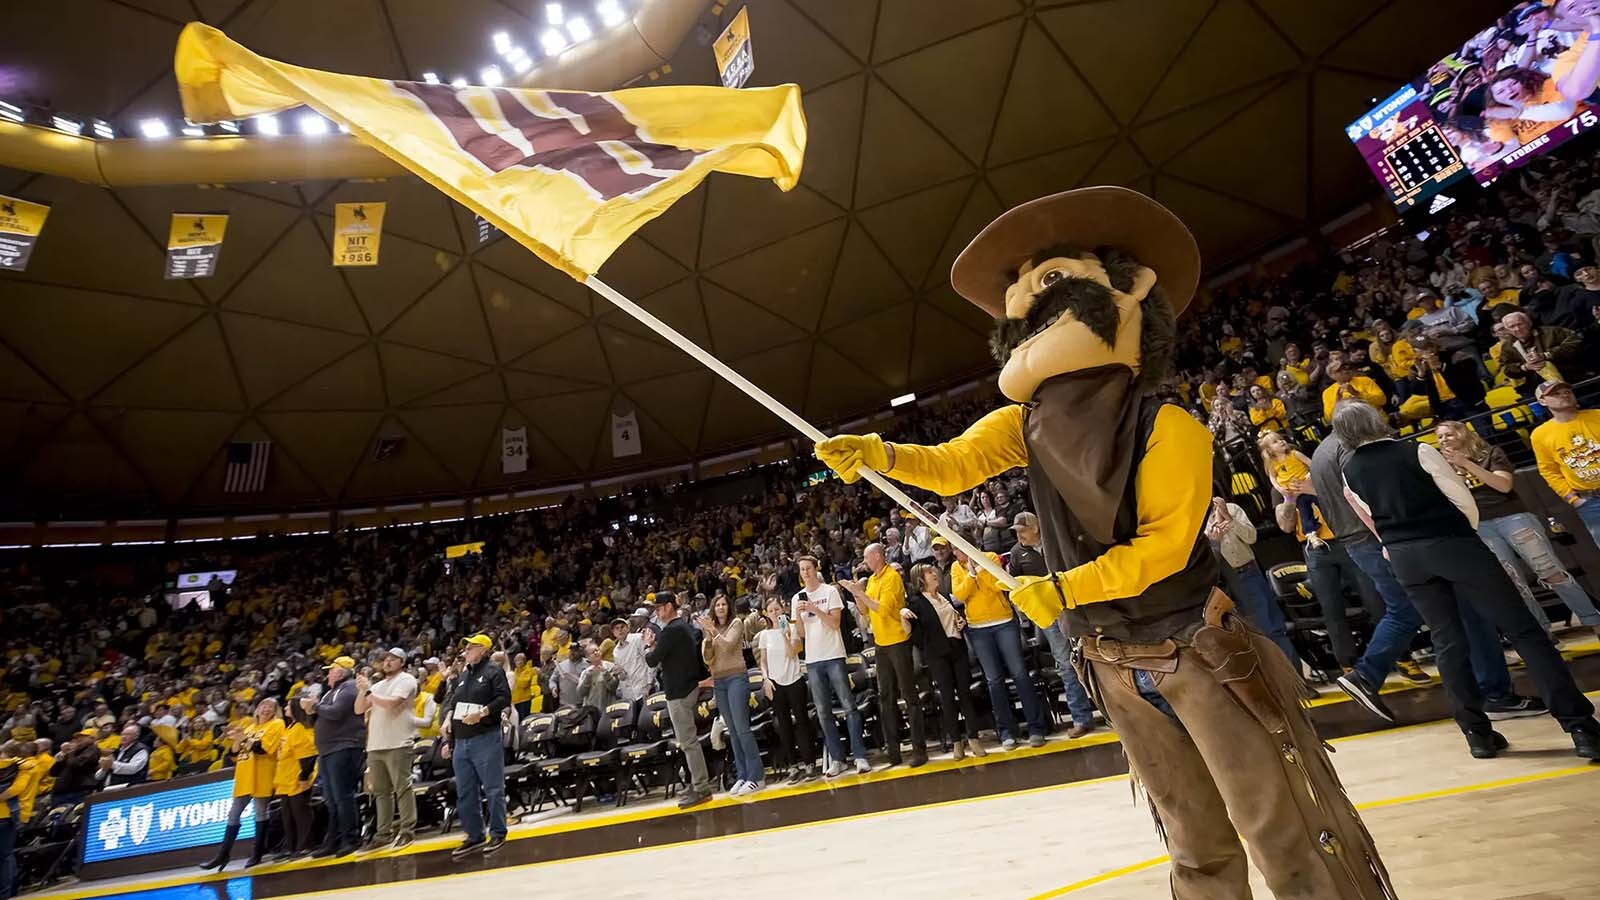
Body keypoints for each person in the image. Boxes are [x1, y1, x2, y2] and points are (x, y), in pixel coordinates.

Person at [815, 186, 1394, 897]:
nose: (1024, 301)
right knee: (1194, 844)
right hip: (1113, 663)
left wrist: (1060, 590)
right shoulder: (1021, 423)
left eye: (1050, 279)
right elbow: (949, 465)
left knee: (1282, 829)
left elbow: (1162, 549)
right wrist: (877, 453)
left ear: (1128, 294)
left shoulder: (1169, 426)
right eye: (1018, 295)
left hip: (1197, 650)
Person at [1336, 401, 1600, 760]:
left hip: (1405, 558)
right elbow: (1461, 498)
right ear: (1374, 419)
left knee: (1448, 642)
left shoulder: (1348, 468)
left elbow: (1368, 513)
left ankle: (1477, 733)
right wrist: (1464, 536)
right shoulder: (1418, 450)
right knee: (1523, 631)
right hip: (1453, 543)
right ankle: (1580, 727)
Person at [1437, 419, 1600, 639]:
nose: (1444, 440)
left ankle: (1593, 620)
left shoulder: (1491, 453)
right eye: (1440, 437)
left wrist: (1467, 464)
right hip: (1481, 527)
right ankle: (1542, 635)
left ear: (1463, 433)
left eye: (1449, 434)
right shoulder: (1440, 468)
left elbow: (1503, 485)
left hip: (1513, 518)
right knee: (1514, 584)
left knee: (1551, 572)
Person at [1007, 512, 1095, 739]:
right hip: (1049, 614)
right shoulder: (1017, 553)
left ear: (1036, 528)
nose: (1019, 535)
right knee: (1066, 664)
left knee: (1094, 655)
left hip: (1075, 606)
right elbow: (1015, 587)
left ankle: (1110, 711)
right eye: (1016, 531)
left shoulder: (1056, 540)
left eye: (1022, 530)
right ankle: (1081, 718)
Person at [952, 544, 1048, 750]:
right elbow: (960, 595)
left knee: (1020, 674)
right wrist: (971, 575)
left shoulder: (991, 558)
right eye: (954, 550)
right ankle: (1007, 732)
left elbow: (997, 585)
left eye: (957, 549)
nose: (955, 553)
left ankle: (1036, 728)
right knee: (994, 681)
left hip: (1003, 622)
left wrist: (979, 569)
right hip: (977, 629)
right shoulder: (955, 568)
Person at [840, 543, 927, 768]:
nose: (865, 562)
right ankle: (894, 752)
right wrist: (856, 594)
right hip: (880, 644)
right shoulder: (874, 580)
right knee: (885, 697)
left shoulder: (891, 578)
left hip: (898, 641)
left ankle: (919, 750)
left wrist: (860, 593)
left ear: (878, 556)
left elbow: (885, 609)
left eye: (868, 558)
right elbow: (865, 611)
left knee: (909, 695)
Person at [791, 556, 870, 775]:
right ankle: (838, 759)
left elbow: (835, 623)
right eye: (801, 570)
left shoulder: (830, 592)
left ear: (816, 569)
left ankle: (860, 756)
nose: (805, 572)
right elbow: (800, 634)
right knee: (823, 712)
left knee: (849, 706)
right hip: (813, 660)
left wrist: (814, 609)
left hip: (834, 655)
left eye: (808, 568)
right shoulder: (796, 598)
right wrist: (798, 614)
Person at [1205, 497, 1301, 674]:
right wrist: (1214, 541)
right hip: (1224, 582)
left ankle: (1295, 679)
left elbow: (1252, 537)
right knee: (1245, 636)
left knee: (1273, 627)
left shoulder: (1233, 508)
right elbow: (1204, 561)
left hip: (1249, 573)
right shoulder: (1193, 523)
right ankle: (1272, 682)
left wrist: (1229, 519)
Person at [904, 563, 985, 760]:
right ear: (921, 578)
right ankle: (957, 742)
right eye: (930, 572)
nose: (934, 574)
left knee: (965, 695)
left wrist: (960, 622)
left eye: (934, 571)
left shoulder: (945, 596)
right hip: (937, 654)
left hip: (957, 647)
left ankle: (973, 738)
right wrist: (902, 617)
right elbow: (912, 635)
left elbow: (953, 619)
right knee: (948, 698)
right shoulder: (916, 603)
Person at [441, 633, 511, 857]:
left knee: (493, 788)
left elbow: (503, 699)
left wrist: (482, 713)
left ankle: (498, 832)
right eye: (466, 648)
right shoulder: (463, 675)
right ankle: (474, 835)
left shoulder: (493, 671)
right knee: (465, 791)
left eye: (470, 647)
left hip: (485, 736)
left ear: (483, 649)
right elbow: (454, 702)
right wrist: (447, 719)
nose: (466, 651)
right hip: (461, 740)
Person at [642, 592, 714, 808]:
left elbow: (652, 660)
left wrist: (648, 644)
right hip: (686, 688)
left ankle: (701, 787)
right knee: (688, 741)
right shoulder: (681, 628)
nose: (657, 611)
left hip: (680, 693)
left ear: (670, 606)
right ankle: (696, 783)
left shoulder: (671, 631)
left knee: (688, 742)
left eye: (660, 607)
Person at [201, 698, 281, 870]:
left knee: (260, 813)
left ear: (275, 711)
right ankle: (223, 855)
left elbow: (264, 749)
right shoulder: (250, 728)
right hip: (244, 774)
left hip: (262, 773)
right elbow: (235, 755)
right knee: (233, 814)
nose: (266, 709)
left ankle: (257, 853)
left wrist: (243, 737)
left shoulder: (276, 724)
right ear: (257, 709)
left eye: (270, 707)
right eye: (263, 706)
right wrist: (236, 741)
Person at [699, 595, 765, 792]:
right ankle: (743, 775)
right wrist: (708, 638)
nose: (720, 607)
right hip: (719, 680)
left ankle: (757, 776)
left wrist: (713, 632)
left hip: (736, 677)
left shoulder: (736, 623)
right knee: (732, 731)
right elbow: (708, 658)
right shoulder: (710, 629)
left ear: (729, 607)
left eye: (723, 604)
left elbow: (728, 646)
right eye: (717, 604)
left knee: (742, 728)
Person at [356, 647, 418, 853]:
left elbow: (391, 705)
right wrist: (362, 690)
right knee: (380, 792)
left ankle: (407, 830)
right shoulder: (378, 685)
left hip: (398, 741)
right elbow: (359, 709)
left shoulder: (407, 680)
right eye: (386, 659)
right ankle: (383, 834)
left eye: (393, 658)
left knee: (402, 787)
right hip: (375, 744)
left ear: (402, 662)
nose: (388, 661)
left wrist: (368, 691)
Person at [305, 655, 363, 858]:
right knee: (331, 799)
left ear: (339, 671)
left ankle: (351, 838)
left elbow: (337, 713)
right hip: (328, 750)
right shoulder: (330, 692)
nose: (328, 674)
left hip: (344, 746)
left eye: (331, 670)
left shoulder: (348, 687)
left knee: (343, 796)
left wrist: (314, 707)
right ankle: (334, 839)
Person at [1531, 380, 1600, 549]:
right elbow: (1549, 471)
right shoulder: (1540, 435)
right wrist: (1572, 499)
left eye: (1567, 391)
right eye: (1555, 393)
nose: (1564, 395)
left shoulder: (1597, 416)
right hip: (1588, 499)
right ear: (1542, 401)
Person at [754, 598, 816, 782]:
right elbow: (763, 661)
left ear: (783, 609)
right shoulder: (764, 635)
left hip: (795, 681)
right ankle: (793, 765)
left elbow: (792, 652)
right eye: (771, 610)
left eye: (777, 609)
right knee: (784, 725)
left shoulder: (793, 627)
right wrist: (765, 679)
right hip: (775, 684)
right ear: (766, 613)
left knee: (802, 723)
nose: (774, 612)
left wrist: (784, 634)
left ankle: (810, 763)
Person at [1260, 431, 1325, 549]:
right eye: (1275, 441)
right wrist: (1283, 492)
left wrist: (1309, 477)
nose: (1281, 441)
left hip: (1308, 483)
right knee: (1304, 510)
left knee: (1322, 503)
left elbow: (1312, 464)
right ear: (1269, 451)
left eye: (1281, 439)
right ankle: (1311, 535)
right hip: (1295, 494)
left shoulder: (1295, 454)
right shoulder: (1273, 465)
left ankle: (1332, 524)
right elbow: (1272, 478)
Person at [272, 700, 317, 861]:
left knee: (301, 814)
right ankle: (290, 847)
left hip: (296, 778)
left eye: (288, 706)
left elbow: (308, 755)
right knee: (287, 816)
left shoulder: (300, 728)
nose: (285, 708)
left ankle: (305, 845)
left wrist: (304, 776)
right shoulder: (289, 727)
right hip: (284, 779)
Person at [1495, 311, 1582, 392]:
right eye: (1512, 326)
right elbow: (1507, 368)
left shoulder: (1551, 332)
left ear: (1529, 323)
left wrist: (1546, 355)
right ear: (1508, 330)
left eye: (1520, 324)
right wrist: (1525, 367)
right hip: (1536, 385)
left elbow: (1576, 341)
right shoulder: (1507, 346)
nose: (1517, 329)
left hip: (1570, 374)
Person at [1320, 357, 1387, 423]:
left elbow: (1382, 400)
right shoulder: (1327, 393)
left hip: (1375, 420)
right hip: (1352, 427)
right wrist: (1338, 401)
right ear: (1332, 375)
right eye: (1339, 370)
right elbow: (1329, 418)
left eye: (1344, 368)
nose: (1345, 371)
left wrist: (1357, 394)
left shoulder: (1365, 380)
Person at [608, 618, 650, 703]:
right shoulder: (616, 651)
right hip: (629, 695)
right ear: (613, 633)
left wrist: (649, 684)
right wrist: (619, 672)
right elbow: (623, 677)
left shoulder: (638, 638)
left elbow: (650, 660)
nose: (620, 630)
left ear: (628, 628)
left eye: (622, 627)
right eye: (617, 628)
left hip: (645, 689)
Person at [98, 724, 148, 788]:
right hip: (109, 787)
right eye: (122, 734)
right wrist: (104, 768)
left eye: (128, 734)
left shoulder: (141, 750)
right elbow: (98, 776)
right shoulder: (117, 751)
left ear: (136, 736)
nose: (123, 737)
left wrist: (111, 764)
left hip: (130, 788)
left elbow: (133, 768)